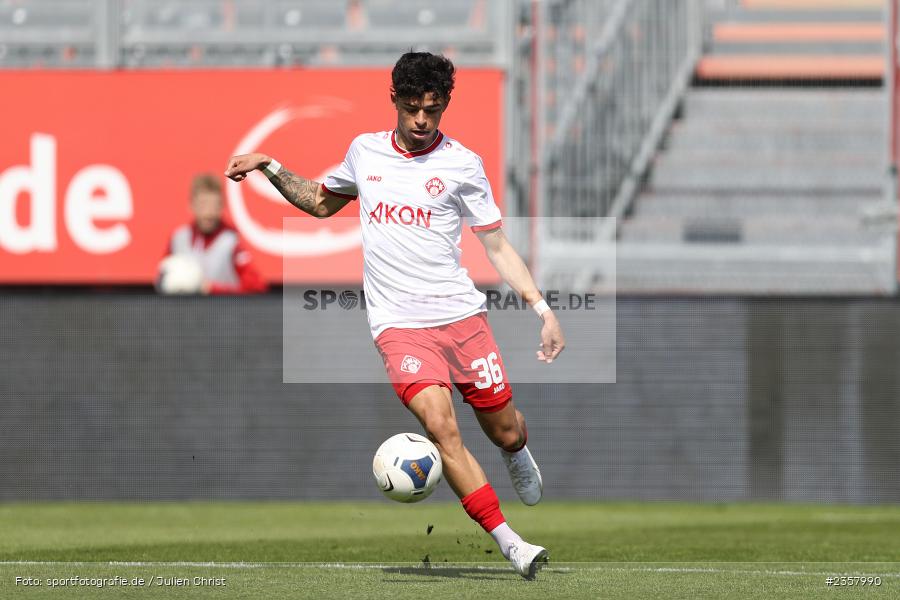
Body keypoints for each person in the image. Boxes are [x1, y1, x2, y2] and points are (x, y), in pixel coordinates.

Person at [224, 52, 564, 579]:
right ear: (395, 102)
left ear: (445, 103)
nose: (422, 120)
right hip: (399, 327)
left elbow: (496, 247)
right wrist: (270, 165)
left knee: (503, 431)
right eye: (411, 109)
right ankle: (511, 543)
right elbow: (319, 202)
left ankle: (517, 449)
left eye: (432, 109)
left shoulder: (463, 164)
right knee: (440, 427)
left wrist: (542, 309)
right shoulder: (365, 152)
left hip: (462, 319)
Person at [162, 174, 268, 295]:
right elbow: (162, 279)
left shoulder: (231, 243)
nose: (209, 212)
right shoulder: (178, 239)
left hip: (222, 312)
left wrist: (211, 289)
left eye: (214, 206)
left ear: (222, 207)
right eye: (203, 204)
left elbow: (256, 287)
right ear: (192, 205)